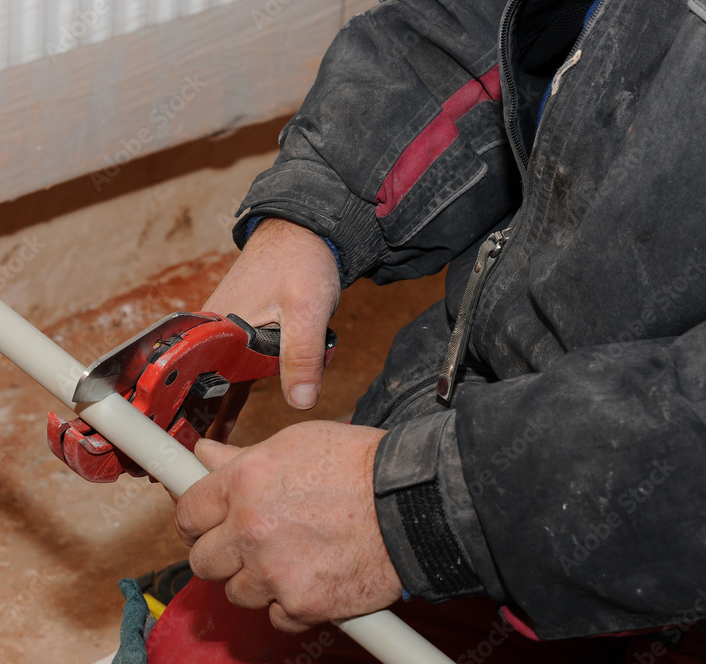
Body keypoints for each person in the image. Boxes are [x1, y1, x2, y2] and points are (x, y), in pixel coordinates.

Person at [118, 0, 706, 662]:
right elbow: (481, 29)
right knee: (198, 646)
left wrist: (427, 509)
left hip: (653, 514)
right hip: (506, 427)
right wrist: (317, 209)